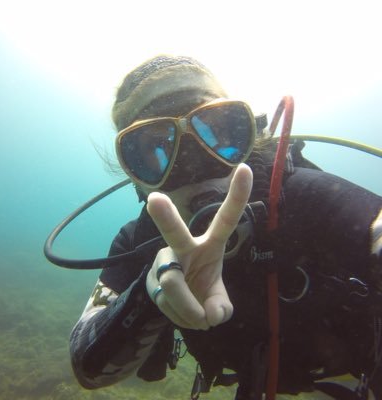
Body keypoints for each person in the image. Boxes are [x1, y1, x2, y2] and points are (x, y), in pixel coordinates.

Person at [69, 55, 382, 400]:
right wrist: (147, 293)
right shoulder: (140, 242)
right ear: (137, 178)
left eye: (215, 133)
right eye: (158, 148)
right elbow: (88, 369)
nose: (195, 164)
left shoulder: (306, 199)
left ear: (247, 136)